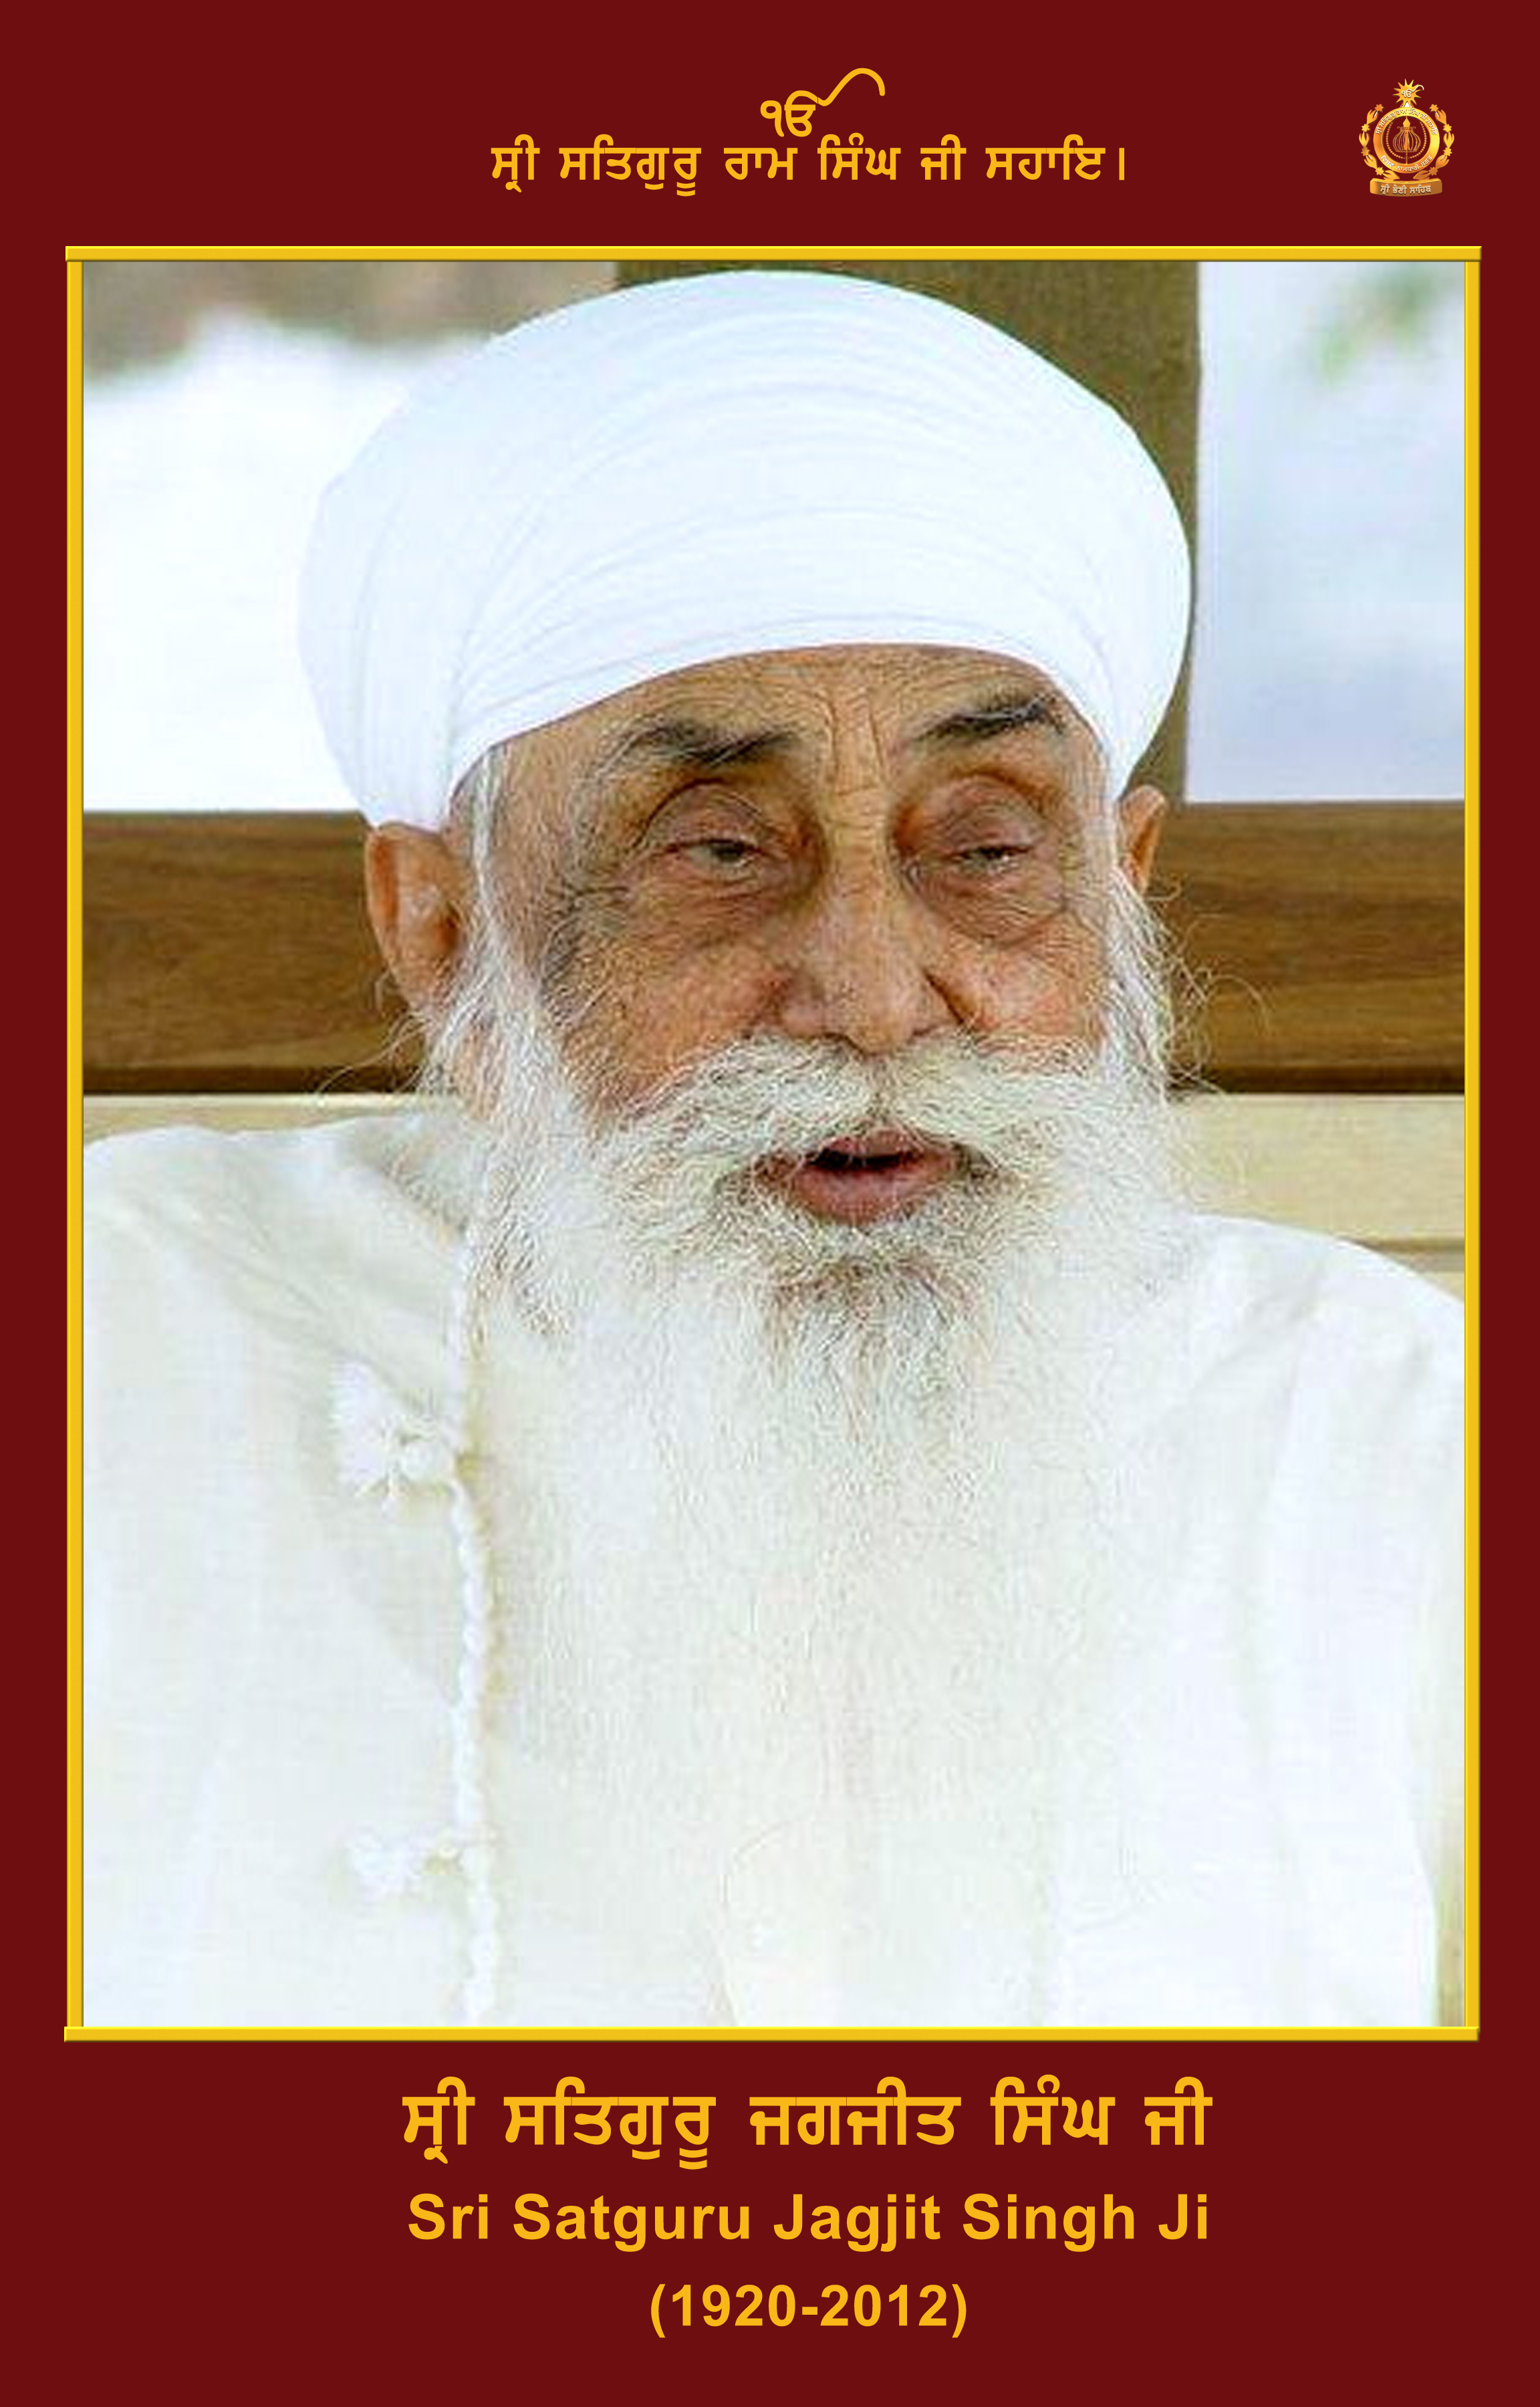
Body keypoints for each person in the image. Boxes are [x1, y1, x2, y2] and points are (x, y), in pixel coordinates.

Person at [84, 271, 1463, 2029]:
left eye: (986, 851)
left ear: (1118, 891)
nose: (874, 999)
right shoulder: (114, 1367)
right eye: (720, 851)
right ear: (443, 935)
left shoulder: (1392, 1443)